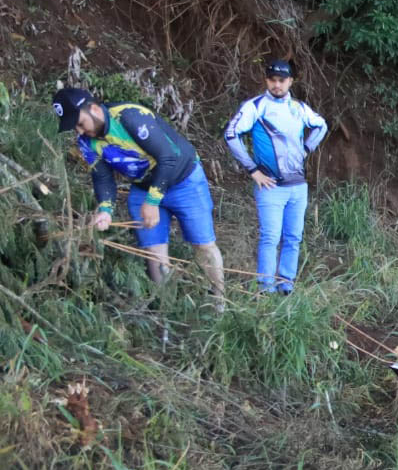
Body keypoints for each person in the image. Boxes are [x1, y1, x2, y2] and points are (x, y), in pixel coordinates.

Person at [54, 87, 226, 305]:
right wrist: (105, 209)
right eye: (74, 128)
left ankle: (219, 301)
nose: (79, 131)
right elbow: (102, 177)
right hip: (143, 187)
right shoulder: (87, 142)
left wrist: (152, 201)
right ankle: (167, 308)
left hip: (184, 180)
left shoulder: (129, 116)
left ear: (95, 109)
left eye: (80, 123)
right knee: (153, 252)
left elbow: (168, 156)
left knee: (203, 244)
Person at [224, 58, 328, 294]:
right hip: (270, 186)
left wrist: (307, 148)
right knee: (270, 237)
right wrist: (253, 170)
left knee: (293, 237)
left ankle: (286, 284)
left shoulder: (300, 108)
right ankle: (265, 287)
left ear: (290, 81)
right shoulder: (256, 106)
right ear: (266, 80)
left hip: (298, 185)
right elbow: (231, 134)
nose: (277, 85)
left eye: (282, 80)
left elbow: (321, 125)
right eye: (273, 80)